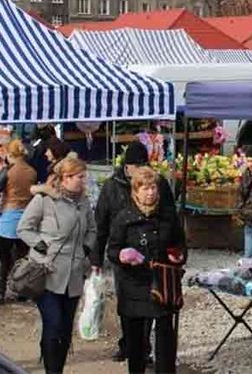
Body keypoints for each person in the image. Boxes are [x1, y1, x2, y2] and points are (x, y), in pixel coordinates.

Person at [91, 141, 175, 362]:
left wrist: (176, 253)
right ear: (126, 167)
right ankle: (129, 344)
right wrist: (97, 257)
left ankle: (144, 349)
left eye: (143, 164)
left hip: (155, 258)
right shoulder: (112, 187)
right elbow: (101, 224)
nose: (140, 170)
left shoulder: (160, 184)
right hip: (125, 257)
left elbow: (171, 218)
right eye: (135, 166)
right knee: (129, 306)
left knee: (155, 305)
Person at [17, 157, 96, 374]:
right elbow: (24, 228)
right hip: (47, 274)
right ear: (65, 178)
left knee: (65, 330)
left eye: (84, 176)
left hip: (74, 276)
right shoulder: (45, 200)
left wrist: (86, 249)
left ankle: (56, 367)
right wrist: (40, 246)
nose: (83, 181)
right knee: (54, 325)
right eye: (80, 177)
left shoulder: (84, 202)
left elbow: (92, 230)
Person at [108, 167, 186, 374]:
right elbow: (112, 250)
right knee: (136, 341)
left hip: (162, 284)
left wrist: (178, 256)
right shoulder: (124, 217)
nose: (150, 192)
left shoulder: (168, 216)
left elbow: (180, 244)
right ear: (136, 191)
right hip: (134, 285)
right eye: (145, 188)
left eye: (153, 188)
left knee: (164, 337)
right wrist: (123, 255)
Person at [0, 139, 37, 302]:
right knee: (23, 258)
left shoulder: (8, 171)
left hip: (8, 217)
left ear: (10, 154)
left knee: (3, 259)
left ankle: (1, 293)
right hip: (27, 218)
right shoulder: (32, 171)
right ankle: (23, 292)